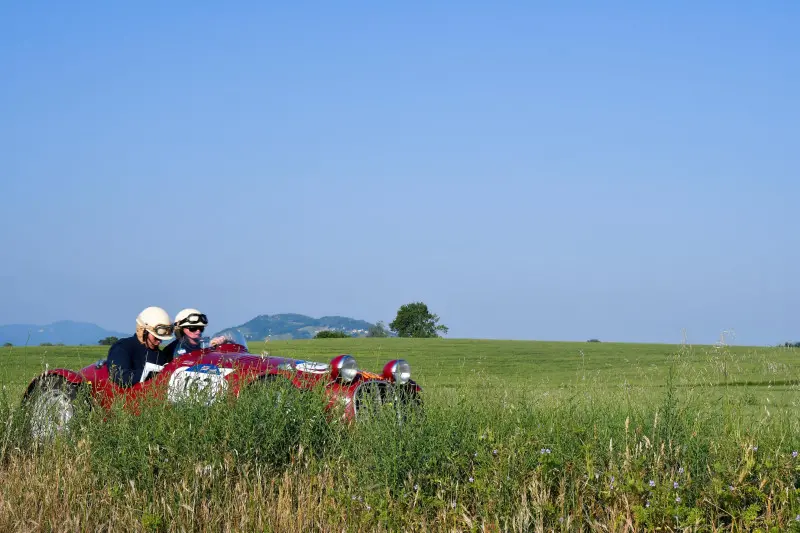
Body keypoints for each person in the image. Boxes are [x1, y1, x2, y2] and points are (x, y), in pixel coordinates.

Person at [107, 306, 175, 387]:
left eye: (161, 338)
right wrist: (152, 373)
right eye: (156, 337)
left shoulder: (161, 356)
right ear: (143, 331)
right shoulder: (123, 348)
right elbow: (120, 377)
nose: (159, 341)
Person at [161, 308, 226, 359]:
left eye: (201, 328)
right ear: (181, 329)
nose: (198, 331)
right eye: (193, 328)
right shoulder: (172, 350)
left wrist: (220, 343)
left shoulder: (205, 344)